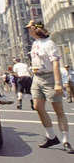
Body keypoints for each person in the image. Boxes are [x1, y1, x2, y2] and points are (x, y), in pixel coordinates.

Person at [26, 20, 73, 153]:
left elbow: (55, 64)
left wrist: (58, 83)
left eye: (30, 28)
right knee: (37, 106)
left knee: (58, 110)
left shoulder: (49, 43)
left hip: (50, 78)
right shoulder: (35, 43)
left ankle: (66, 141)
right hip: (37, 78)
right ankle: (51, 137)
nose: (28, 30)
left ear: (36, 29)